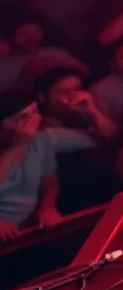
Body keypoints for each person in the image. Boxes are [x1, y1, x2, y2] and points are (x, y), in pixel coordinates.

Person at [0, 92, 99, 239]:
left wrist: (47, 206)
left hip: (30, 228)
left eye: (34, 113)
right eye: (21, 118)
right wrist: (16, 147)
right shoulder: (22, 141)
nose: (31, 122)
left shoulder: (40, 139)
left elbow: (50, 180)